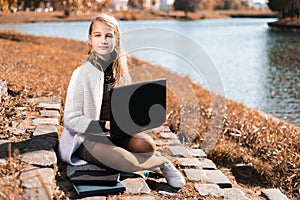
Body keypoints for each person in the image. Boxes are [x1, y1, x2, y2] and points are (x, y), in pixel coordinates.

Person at [58, 13, 185, 188]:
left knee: (148, 145)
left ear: (116, 39)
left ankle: (140, 159)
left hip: (117, 134)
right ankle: (161, 164)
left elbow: (124, 111)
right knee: (123, 160)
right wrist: (104, 125)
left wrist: (137, 120)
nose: (103, 40)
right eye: (98, 35)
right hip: (88, 138)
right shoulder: (81, 74)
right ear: (90, 39)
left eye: (109, 35)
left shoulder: (121, 72)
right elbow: (70, 120)